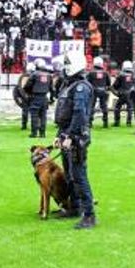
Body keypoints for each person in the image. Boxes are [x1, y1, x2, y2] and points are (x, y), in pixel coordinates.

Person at [53, 50, 96, 229]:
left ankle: (89, 215)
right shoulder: (69, 85)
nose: (64, 68)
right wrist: (60, 135)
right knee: (70, 174)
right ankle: (75, 207)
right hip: (67, 134)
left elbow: (79, 114)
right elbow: (66, 114)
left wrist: (70, 136)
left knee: (79, 175)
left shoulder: (81, 87)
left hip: (76, 137)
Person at [25, 59, 53, 138]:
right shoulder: (49, 75)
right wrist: (52, 98)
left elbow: (27, 86)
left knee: (34, 115)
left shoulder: (34, 74)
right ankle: (42, 133)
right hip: (44, 97)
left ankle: (34, 133)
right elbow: (52, 88)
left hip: (35, 97)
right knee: (43, 116)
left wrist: (29, 93)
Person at [87, 56, 111, 129]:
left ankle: (90, 123)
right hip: (103, 90)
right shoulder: (105, 73)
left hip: (93, 90)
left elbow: (87, 82)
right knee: (104, 107)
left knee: (91, 106)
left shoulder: (91, 72)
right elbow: (108, 83)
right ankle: (105, 122)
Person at [110, 60, 135, 128]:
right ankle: (129, 122)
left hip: (122, 94)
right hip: (130, 94)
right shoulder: (134, 75)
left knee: (117, 108)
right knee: (130, 109)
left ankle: (117, 122)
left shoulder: (121, 75)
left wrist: (116, 93)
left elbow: (115, 86)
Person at [15, 62, 34, 131]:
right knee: (33, 112)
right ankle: (32, 126)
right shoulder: (33, 75)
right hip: (31, 96)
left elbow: (19, 87)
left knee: (25, 111)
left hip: (25, 96)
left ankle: (24, 125)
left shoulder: (23, 76)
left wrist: (20, 96)